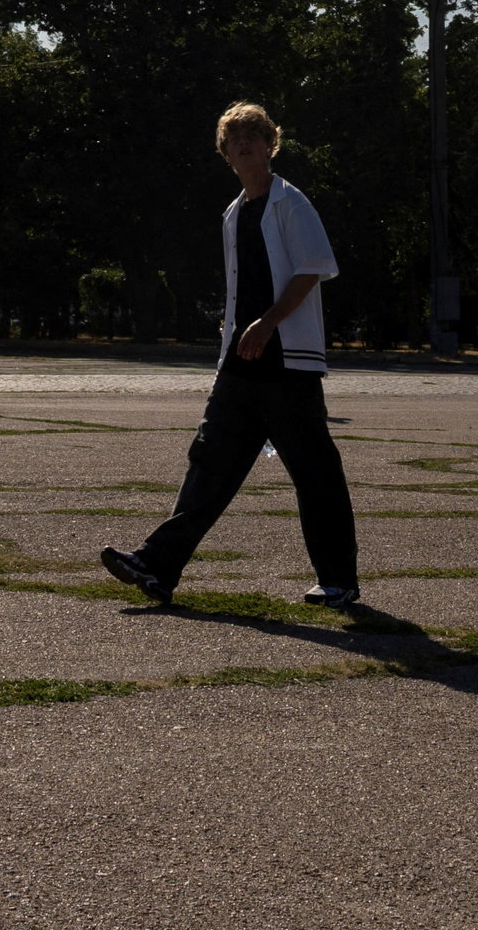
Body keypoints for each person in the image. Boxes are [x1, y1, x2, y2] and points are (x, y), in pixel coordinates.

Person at [101, 102, 363, 608]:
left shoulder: (291, 202)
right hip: (241, 364)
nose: (244, 144)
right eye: (235, 138)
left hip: (288, 363)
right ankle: (156, 566)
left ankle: (339, 580)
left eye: (253, 136)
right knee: (209, 465)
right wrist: (234, 337)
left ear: (270, 145)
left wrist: (267, 322)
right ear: (225, 152)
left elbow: (311, 269)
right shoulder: (233, 212)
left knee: (314, 473)